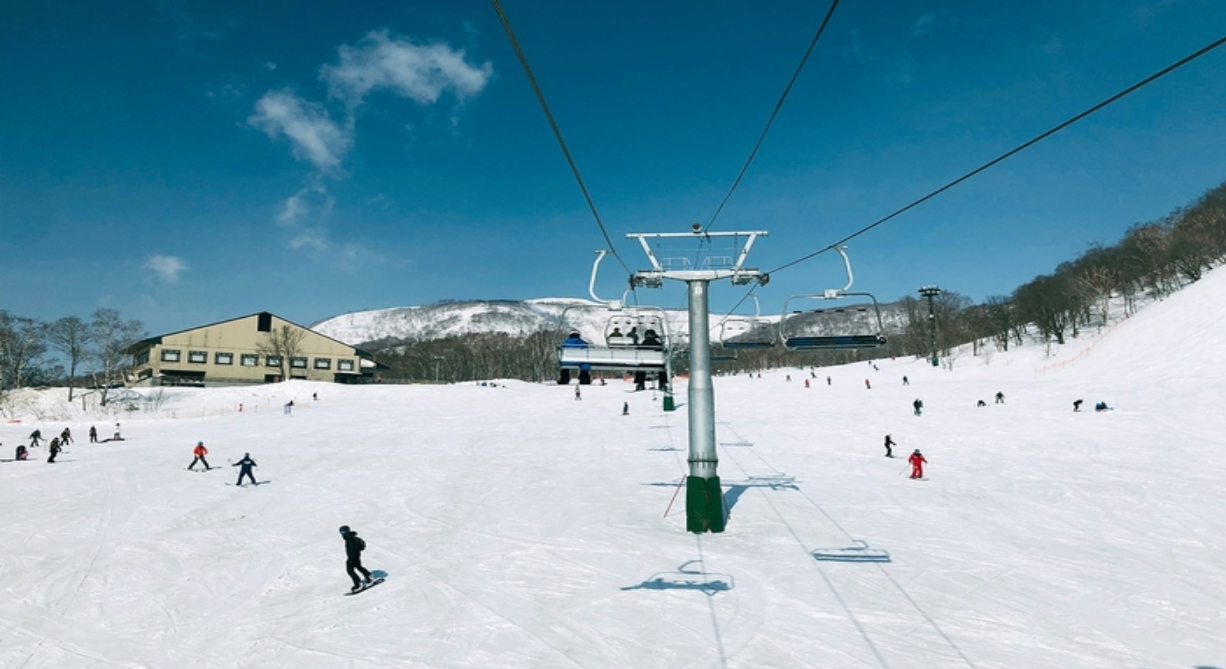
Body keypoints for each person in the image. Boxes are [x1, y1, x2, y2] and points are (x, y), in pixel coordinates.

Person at [339, 525, 373, 592]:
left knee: (350, 570)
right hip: (356, 555)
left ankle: (358, 584)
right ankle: (369, 577)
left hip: (353, 556)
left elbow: (351, 550)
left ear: (347, 531)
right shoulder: (350, 537)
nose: (342, 534)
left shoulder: (349, 538)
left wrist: (351, 559)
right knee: (358, 567)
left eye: (343, 532)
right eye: (341, 532)